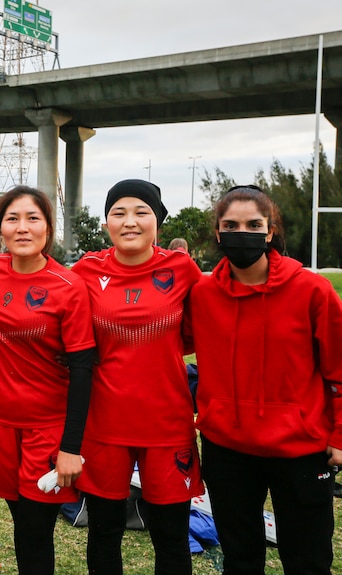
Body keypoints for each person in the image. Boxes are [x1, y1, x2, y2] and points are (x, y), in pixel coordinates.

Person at [190, 185, 342, 574]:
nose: (243, 232)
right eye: (232, 225)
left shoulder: (312, 290)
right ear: (219, 233)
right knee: (240, 560)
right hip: (227, 448)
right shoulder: (203, 295)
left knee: (307, 560)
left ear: (270, 231)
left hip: (300, 449)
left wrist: (339, 437)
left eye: (253, 224)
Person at [71, 179, 203, 575]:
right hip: (103, 426)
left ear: (158, 221)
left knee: (171, 537)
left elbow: (198, 334)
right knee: (105, 532)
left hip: (167, 426)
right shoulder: (85, 272)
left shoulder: (182, 269)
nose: (130, 222)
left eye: (141, 212)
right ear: (107, 222)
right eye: (118, 213)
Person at [0, 185, 96, 573]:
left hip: (46, 430)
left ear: (48, 227)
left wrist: (71, 447)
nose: (23, 227)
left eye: (33, 218)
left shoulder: (69, 287)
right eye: (13, 219)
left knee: (35, 531)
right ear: (1, 230)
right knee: (19, 523)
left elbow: (82, 369)